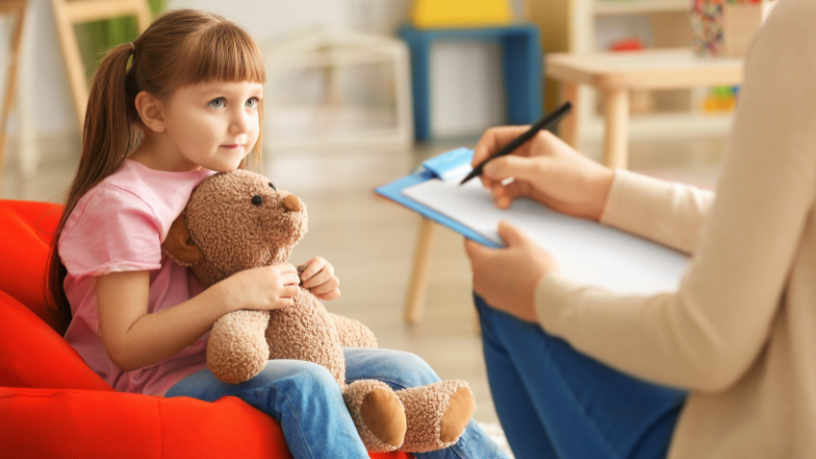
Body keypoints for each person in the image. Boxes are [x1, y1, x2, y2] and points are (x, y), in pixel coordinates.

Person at [47, 10, 506, 459]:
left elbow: (228, 267)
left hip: (232, 353)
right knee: (307, 382)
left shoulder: (210, 177)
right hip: (156, 380)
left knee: (406, 369)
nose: (243, 123)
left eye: (252, 101)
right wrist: (234, 294)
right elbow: (127, 345)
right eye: (217, 102)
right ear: (153, 111)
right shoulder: (125, 205)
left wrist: (296, 279)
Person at [464, 0, 816, 458]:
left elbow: (706, 344)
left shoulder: (802, 31)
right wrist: (602, 191)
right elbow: (774, 227)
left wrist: (542, 295)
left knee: (503, 292)